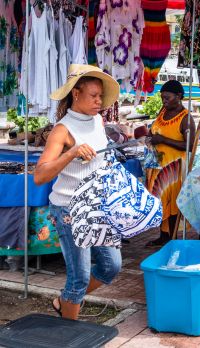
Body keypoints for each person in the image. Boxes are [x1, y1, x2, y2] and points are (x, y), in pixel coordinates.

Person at [33, 64, 122, 320]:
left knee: (111, 265)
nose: (99, 101)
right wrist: (71, 152)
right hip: (69, 209)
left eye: (100, 96)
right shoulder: (62, 130)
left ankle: (65, 300)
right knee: (79, 276)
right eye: (93, 95)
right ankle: (68, 333)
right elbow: (40, 175)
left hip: (97, 206)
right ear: (76, 94)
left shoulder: (97, 119)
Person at [145, 80, 196, 246]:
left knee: (172, 203)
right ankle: (163, 236)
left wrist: (163, 140)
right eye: (162, 98)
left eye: (167, 97)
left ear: (178, 96)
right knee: (159, 202)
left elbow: (190, 145)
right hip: (157, 166)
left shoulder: (186, 118)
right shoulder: (162, 112)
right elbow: (156, 130)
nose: (164, 101)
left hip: (174, 169)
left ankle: (172, 238)